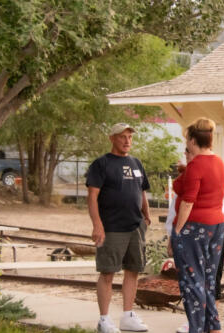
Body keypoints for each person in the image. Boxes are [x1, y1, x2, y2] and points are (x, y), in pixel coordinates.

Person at [86, 123, 151, 333]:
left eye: (130, 137)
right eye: (122, 137)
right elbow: (92, 196)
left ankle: (127, 316)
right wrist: (97, 225)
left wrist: (146, 216)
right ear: (112, 138)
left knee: (133, 270)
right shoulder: (101, 164)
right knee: (107, 273)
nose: (127, 141)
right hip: (112, 227)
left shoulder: (136, 163)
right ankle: (104, 320)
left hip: (135, 226)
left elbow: (142, 192)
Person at [166, 147, 224, 333]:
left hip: (194, 228)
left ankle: (197, 327)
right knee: (206, 282)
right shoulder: (214, 165)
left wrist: (177, 231)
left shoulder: (198, 169)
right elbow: (176, 205)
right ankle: (212, 326)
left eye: (188, 149)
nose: (185, 153)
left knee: (193, 282)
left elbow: (186, 201)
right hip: (214, 226)